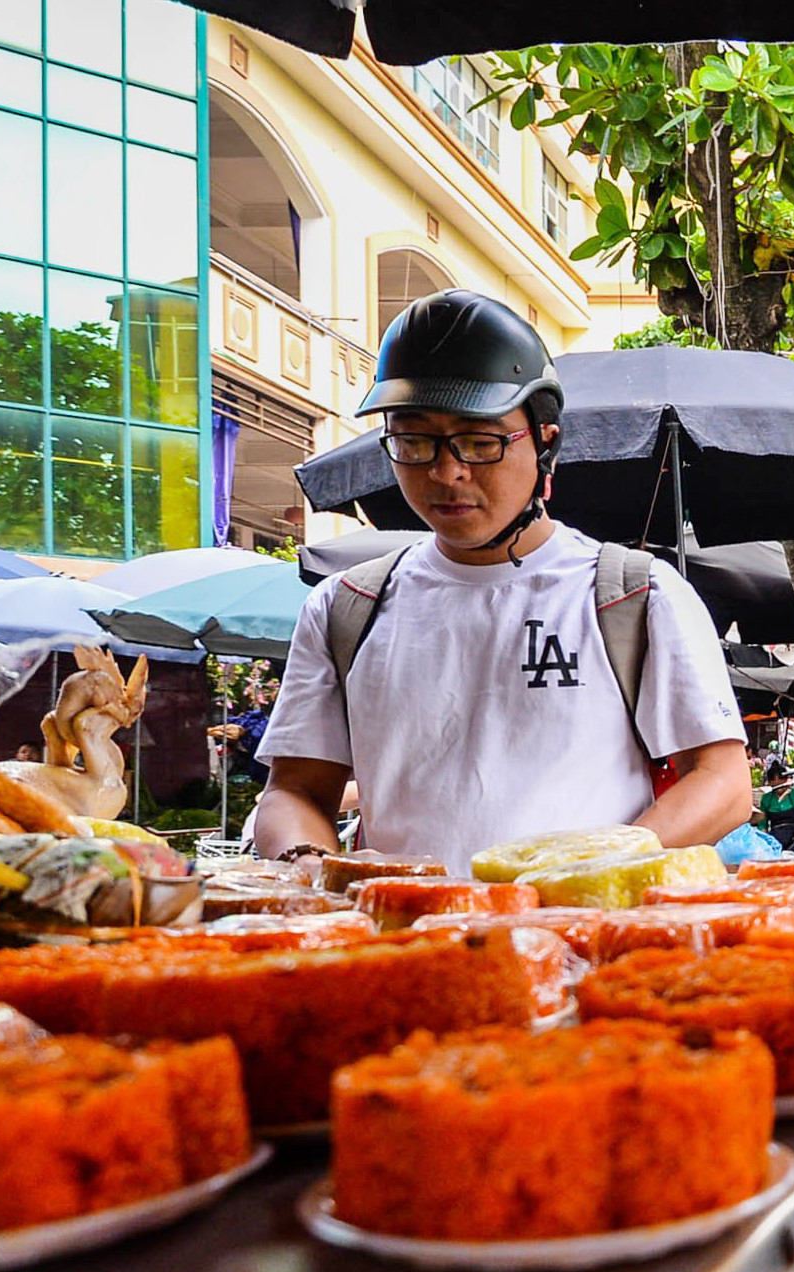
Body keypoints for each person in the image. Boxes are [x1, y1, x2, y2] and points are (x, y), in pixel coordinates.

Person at [253, 290, 750, 868]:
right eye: (414, 441)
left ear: (546, 443)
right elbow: (294, 790)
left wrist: (587, 873)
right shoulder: (347, 606)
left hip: (582, 944)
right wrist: (309, 863)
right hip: (406, 946)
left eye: (479, 441)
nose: (446, 470)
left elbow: (722, 783)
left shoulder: (634, 594)